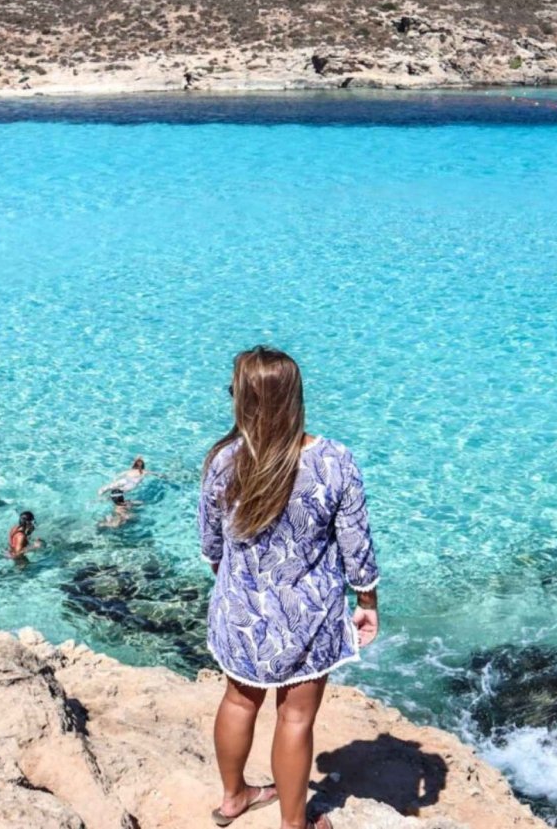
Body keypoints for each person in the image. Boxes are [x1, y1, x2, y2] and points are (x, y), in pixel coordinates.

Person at [200, 347, 379, 829]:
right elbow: (356, 548)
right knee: (295, 719)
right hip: (309, 615)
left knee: (239, 700)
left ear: (243, 400)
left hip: (241, 607)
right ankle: (294, 824)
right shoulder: (334, 461)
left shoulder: (222, 462)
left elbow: (211, 545)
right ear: (295, 398)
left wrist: (238, 590)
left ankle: (234, 798)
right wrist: (367, 601)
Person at [97, 456, 147, 528]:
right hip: (122, 493)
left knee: (122, 511)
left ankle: (109, 521)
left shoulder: (128, 472)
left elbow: (117, 476)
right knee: (124, 514)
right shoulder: (143, 472)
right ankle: (110, 522)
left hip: (119, 493)